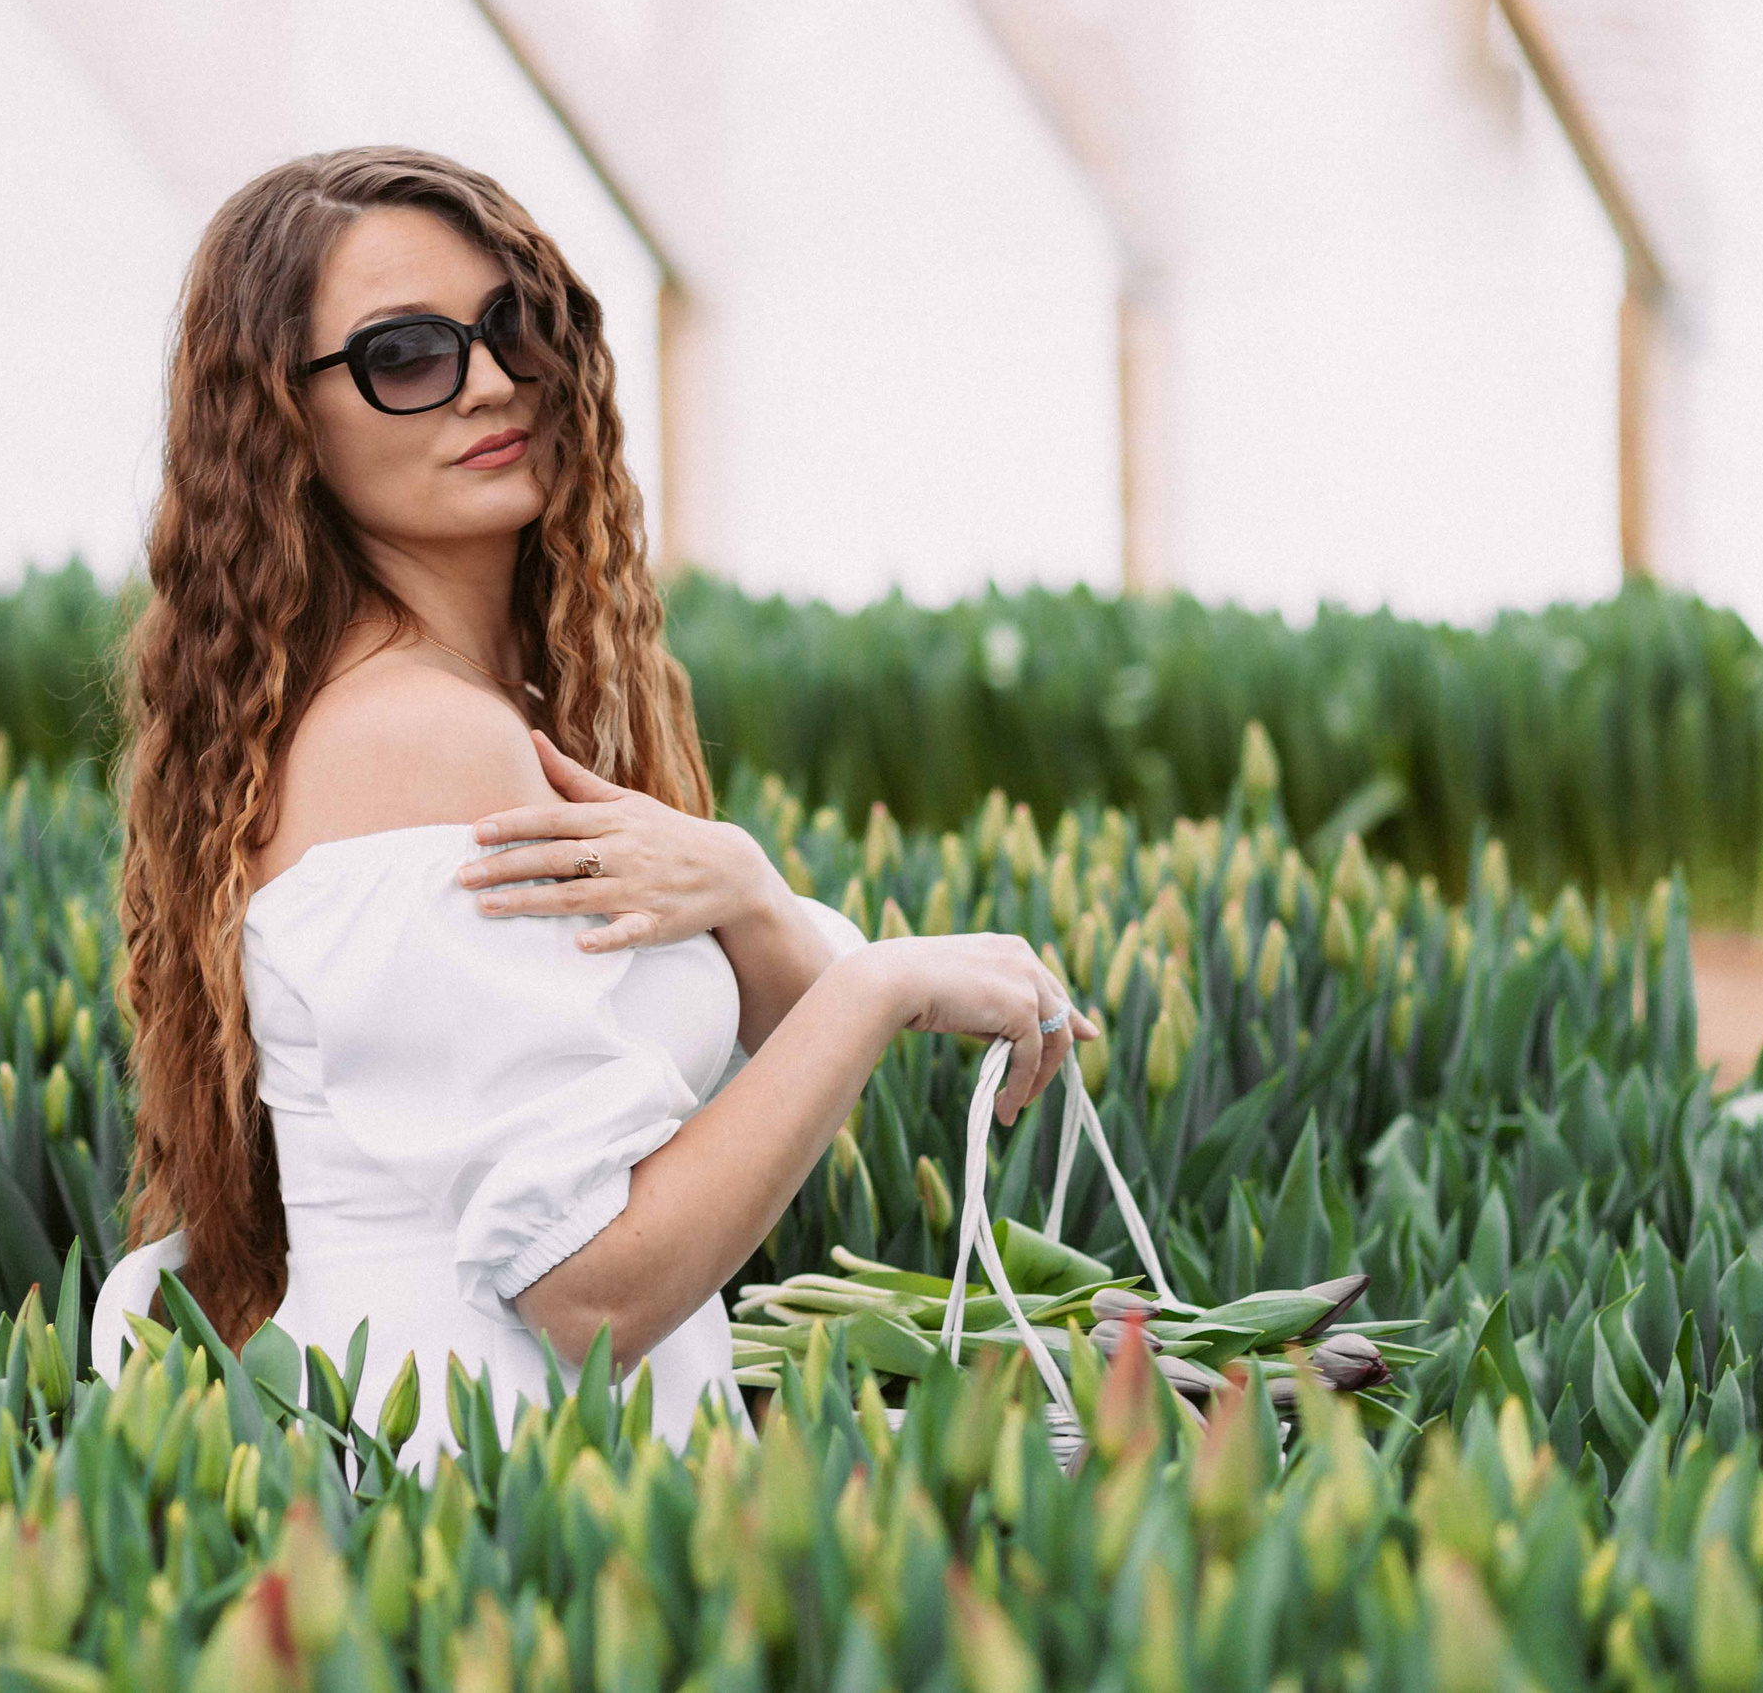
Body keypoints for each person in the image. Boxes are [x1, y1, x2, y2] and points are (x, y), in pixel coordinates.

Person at [92, 145, 1098, 1476]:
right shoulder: (416, 738)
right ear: (287, 419)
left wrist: (745, 893)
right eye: (407, 355)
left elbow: (755, 1041)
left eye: (518, 322)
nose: (496, 381)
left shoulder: (477, 707)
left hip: (554, 1481)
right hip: (479, 1489)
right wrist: (885, 986)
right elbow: (588, 1295)